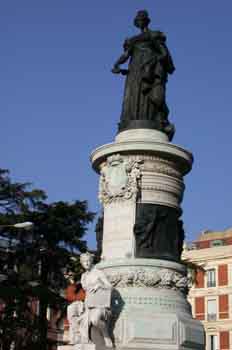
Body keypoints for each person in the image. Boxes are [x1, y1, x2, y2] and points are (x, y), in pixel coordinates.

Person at [112, 10, 175, 140]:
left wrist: (151, 63)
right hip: (135, 70)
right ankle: (133, 120)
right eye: (138, 21)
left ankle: (156, 119)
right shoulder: (133, 40)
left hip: (149, 70)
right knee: (133, 95)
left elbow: (163, 54)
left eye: (142, 20)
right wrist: (116, 64)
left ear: (146, 21)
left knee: (153, 97)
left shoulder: (154, 35)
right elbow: (126, 55)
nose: (140, 22)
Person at [78, 252, 113, 347]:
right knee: (79, 317)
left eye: (88, 261)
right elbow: (87, 292)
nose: (87, 263)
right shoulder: (83, 276)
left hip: (100, 304)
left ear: (91, 261)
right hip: (89, 304)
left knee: (95, 319)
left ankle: (106, 335)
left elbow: (110, 286)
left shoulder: (98, 273)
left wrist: (99, 285)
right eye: (84, 262)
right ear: (81, 263)